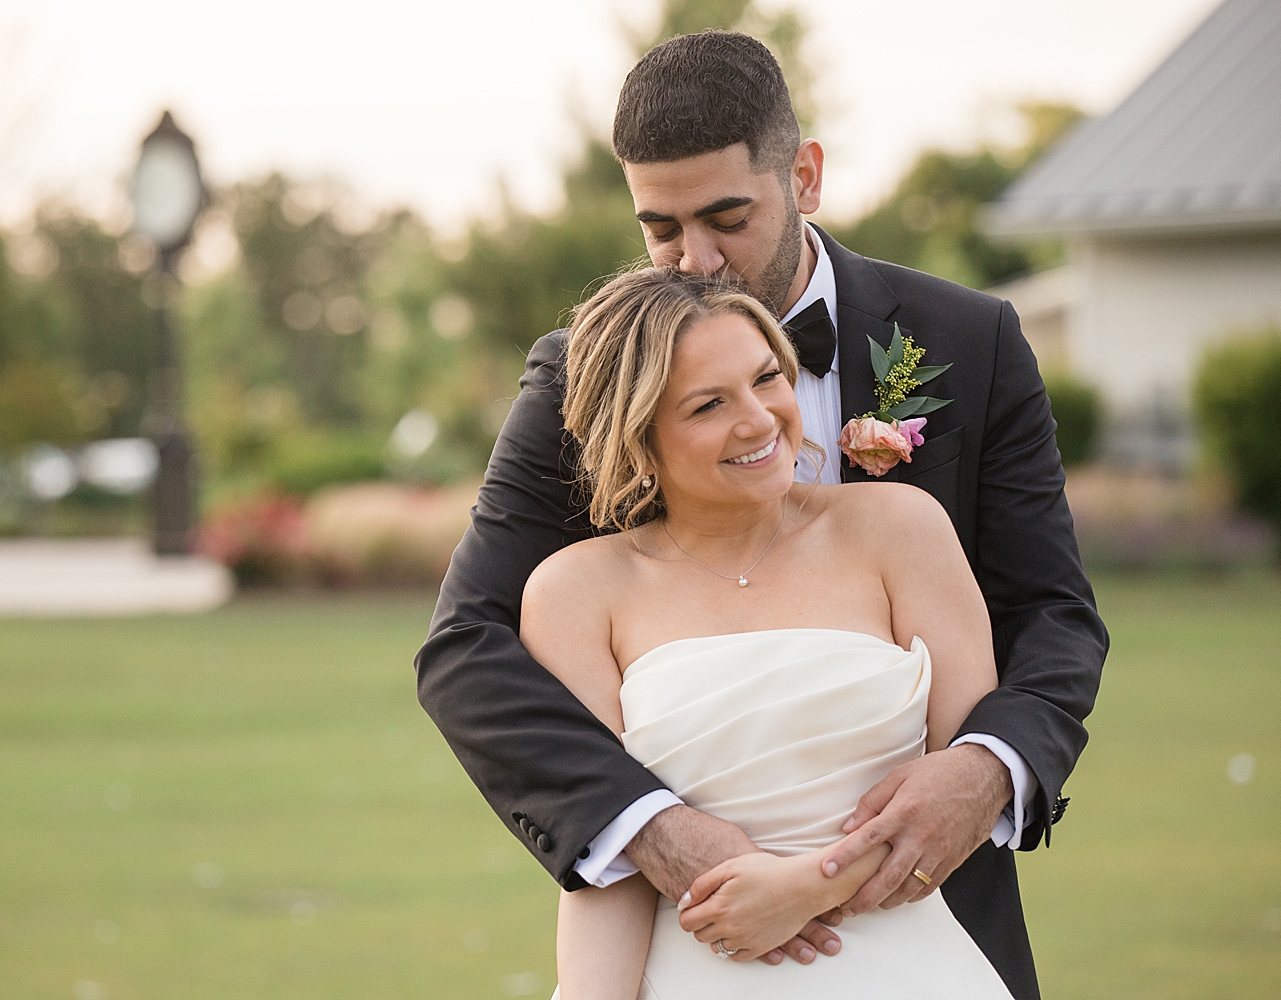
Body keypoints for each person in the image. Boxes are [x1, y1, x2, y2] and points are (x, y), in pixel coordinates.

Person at [416, 29, 1107, 1000]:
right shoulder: (588, 379)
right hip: (698, 941)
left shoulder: (967, 340)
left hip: (931, 930)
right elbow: (465, 650)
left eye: (726, 215)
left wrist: (987, 769)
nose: (695, 260)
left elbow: (1054, 613)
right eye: (660, 228)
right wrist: (649, 827)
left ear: (806, 175)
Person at [530, 267, 1014, 998]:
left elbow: (957, 799)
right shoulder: (575, 592)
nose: (758, 419)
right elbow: (608, 855)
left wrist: (807, 888)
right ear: (639, 436)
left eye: (766, 378)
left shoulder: (900, 529)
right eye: (707, 405)